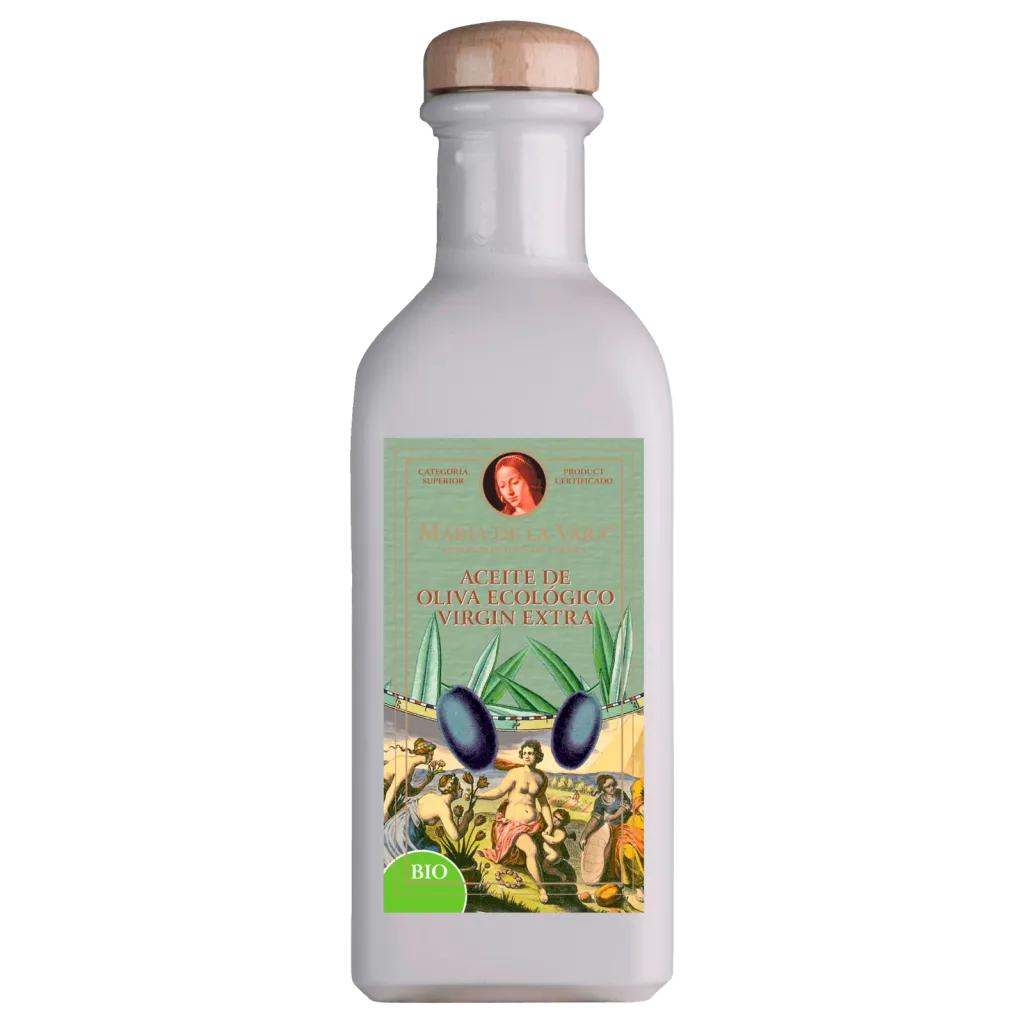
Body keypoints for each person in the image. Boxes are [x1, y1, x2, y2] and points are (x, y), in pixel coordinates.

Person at [478, 739, 555, 902]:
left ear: (537, 756)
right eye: (524, 753)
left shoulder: (540, 777)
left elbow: (543, 804)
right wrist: (480, 795)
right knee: (532, 850)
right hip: (514, 825)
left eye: (531, 753)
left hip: (534, 824)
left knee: (552, 851)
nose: (527, 756)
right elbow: (499, 791)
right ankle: (542, 888)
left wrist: (550, 824)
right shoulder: (514, 773)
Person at [382, 772, 472, 868]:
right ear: (453, 791)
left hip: (399, 825)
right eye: (459, 787)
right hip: (404, 831)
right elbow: (455, 836)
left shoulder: (432, 796)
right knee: (433, 850)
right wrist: (466, 820)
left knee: (433, 848)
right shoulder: (443, 808)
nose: (462, 789)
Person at [578, 774, 632, 882]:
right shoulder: (599, 801)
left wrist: (613, 816)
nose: (612, 788)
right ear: (602, 788)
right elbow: (596, 818)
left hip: (627, 823)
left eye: (613, 785)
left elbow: (625, 808)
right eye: (608, 786)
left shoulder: (620, 793)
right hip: (611, 827)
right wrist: (584, 836)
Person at [383, 738, 444, 823]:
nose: (432, 758)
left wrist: (427, 781)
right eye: (431, 755)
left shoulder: (409, 764)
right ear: (424, 754)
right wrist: (385, 810)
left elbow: (409, 792)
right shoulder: (408, 766)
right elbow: (393, 789)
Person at [612, 775, 644, 901]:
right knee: (626, 848)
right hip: (638, 824)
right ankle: (640, 884)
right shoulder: (639, 783)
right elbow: (638, 804)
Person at [541, 808, 573, 881]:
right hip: (548, 851)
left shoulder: (561, 832)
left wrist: (544, 835)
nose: (555, 820)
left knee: (545, 868)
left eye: (559, 820)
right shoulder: (550, 825)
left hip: (554, 855)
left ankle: (561, 875)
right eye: (555, 817)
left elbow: (552, 841)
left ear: (563, 823)